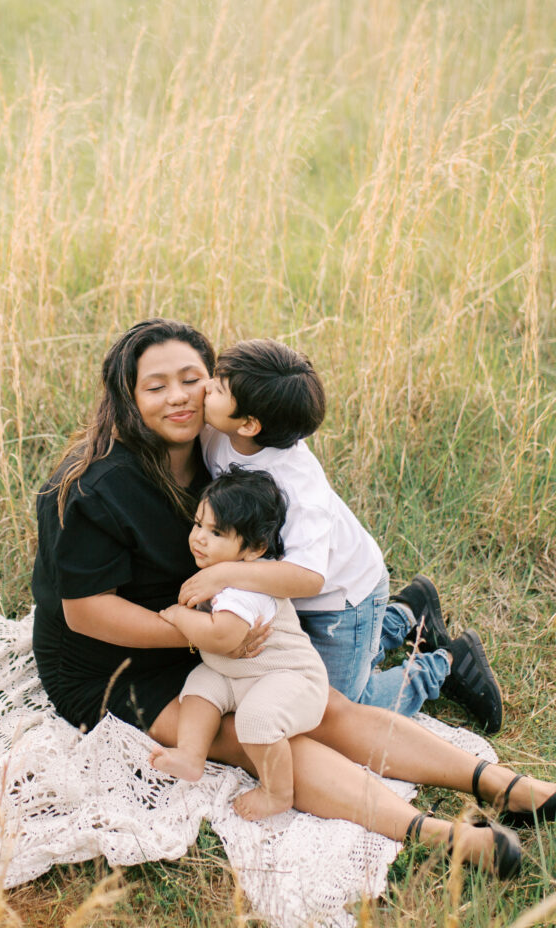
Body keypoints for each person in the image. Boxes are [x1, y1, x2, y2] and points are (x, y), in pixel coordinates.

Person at [31, 318, 556, 881]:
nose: (180, 397)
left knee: (327, 707)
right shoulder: (91, 486)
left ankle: (510, 787)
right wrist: (198, 632)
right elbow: (85, 613)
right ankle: (441, 835)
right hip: (116, 659)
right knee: (258, 736)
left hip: (217, 626)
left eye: (192, 378)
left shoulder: (224, 445)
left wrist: (219, 627)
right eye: (156, 387)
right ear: (127, 397)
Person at [183, 339, 502, 731]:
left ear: (249, 423)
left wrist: (222, 575)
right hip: (286, 594)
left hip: (340, 598)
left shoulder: (297, 486)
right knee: (289, 682)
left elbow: (308, 576)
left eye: (218, 386)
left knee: (329, 712)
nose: (205, 388)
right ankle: (405, 615)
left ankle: (443, 664)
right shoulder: (217, 431)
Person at [150, 468, 329, 821]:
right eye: (198, 524)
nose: (199, 538)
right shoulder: (219, 571)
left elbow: (222, 635)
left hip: (289, 678)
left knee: (256, 720)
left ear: (255, 549)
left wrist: (177, 615)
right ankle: (190, 754)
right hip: (237, 674)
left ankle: (277, 792)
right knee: (199, 687)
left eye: (216, 532)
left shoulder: (249, 587)